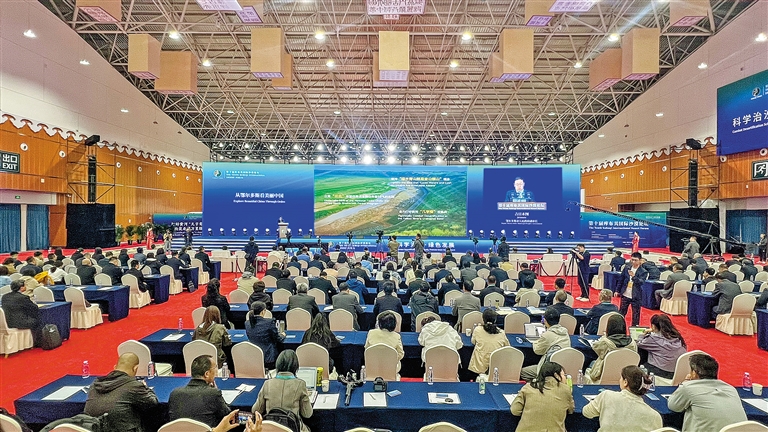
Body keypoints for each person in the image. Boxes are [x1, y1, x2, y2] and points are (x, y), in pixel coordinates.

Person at [667, 353, 747, 431]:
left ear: (694, 373)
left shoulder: (688, 388)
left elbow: (673, 406)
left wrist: (685, 382)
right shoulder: (731, 389)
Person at [84, 353, 159, 432]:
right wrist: (145, 387)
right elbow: (153, 402)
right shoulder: (134, 386)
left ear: (115, 367)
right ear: (135, 368)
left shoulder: (95, 384)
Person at [582, 365, 663, 431]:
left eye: (621, 378)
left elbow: (586, 412)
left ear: (625, 382)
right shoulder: (655, 417)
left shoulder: (606, 396)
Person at [253, 350, 313, 432]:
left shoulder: (267, 383)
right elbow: (307, 414)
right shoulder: (300, 384)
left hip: (270, 428)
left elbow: (256, 410)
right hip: (292, 428)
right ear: (295, 366)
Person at [168, 355, 230, 427]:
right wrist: (215, 390)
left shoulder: (174, 394)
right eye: (215, 368)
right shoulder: (213, 394)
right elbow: (228, 415)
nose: (216, 371)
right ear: (207, 374)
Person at [511, 361, 574, 432]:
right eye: (564, 375)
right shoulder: (566, 390)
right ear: (556, 375)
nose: (565, 378)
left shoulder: (528, 387)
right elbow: (571, 410)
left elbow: (515, 410)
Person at [521, 307, 571, 381]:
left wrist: (536, 341)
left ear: (545, 320)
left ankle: (539, 383)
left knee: (523, 372)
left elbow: (537, 350)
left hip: (549, 369)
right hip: (564, 368)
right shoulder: (565, 332)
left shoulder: (547, 335)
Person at [585, 314, 637, 384]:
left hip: (603, 376)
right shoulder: (633, 343)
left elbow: (595, 347)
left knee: (590, 362)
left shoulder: (605, 342)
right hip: (626, 377)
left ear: (608, 328)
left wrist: (605, 337)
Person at [636, 314, 687, 379]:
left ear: (653, 326)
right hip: (677, 371)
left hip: (662, 371)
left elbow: (639, 343)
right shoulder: (677, 336)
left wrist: (643, 334)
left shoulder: (652, 339)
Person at [468, 309, 510, 378]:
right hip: (496, 367)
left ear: (483, 319)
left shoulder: (478, 329)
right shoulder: (501, 332)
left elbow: (473, 341)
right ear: (495, 320)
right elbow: (507, 346)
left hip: (479, 367)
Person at [245, 301, 285, 369]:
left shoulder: (247, 323)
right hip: (269, 357)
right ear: (263, 311)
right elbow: (278, 338)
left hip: (254, 357)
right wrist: (283, 335)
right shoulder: (269, 322)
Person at [617, 252, 647, 327]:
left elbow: (641, 282)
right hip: (625, 294)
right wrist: (617, 290)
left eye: (635, 260)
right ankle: (619, 327)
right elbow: (621, 279)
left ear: (640, 260)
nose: (633, 262)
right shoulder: (627, 267)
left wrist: (633, 277)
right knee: (621, 313)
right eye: (632, 260)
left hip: (636, 295)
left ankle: (634, 329)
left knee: (636, 315)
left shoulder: (643, 271)